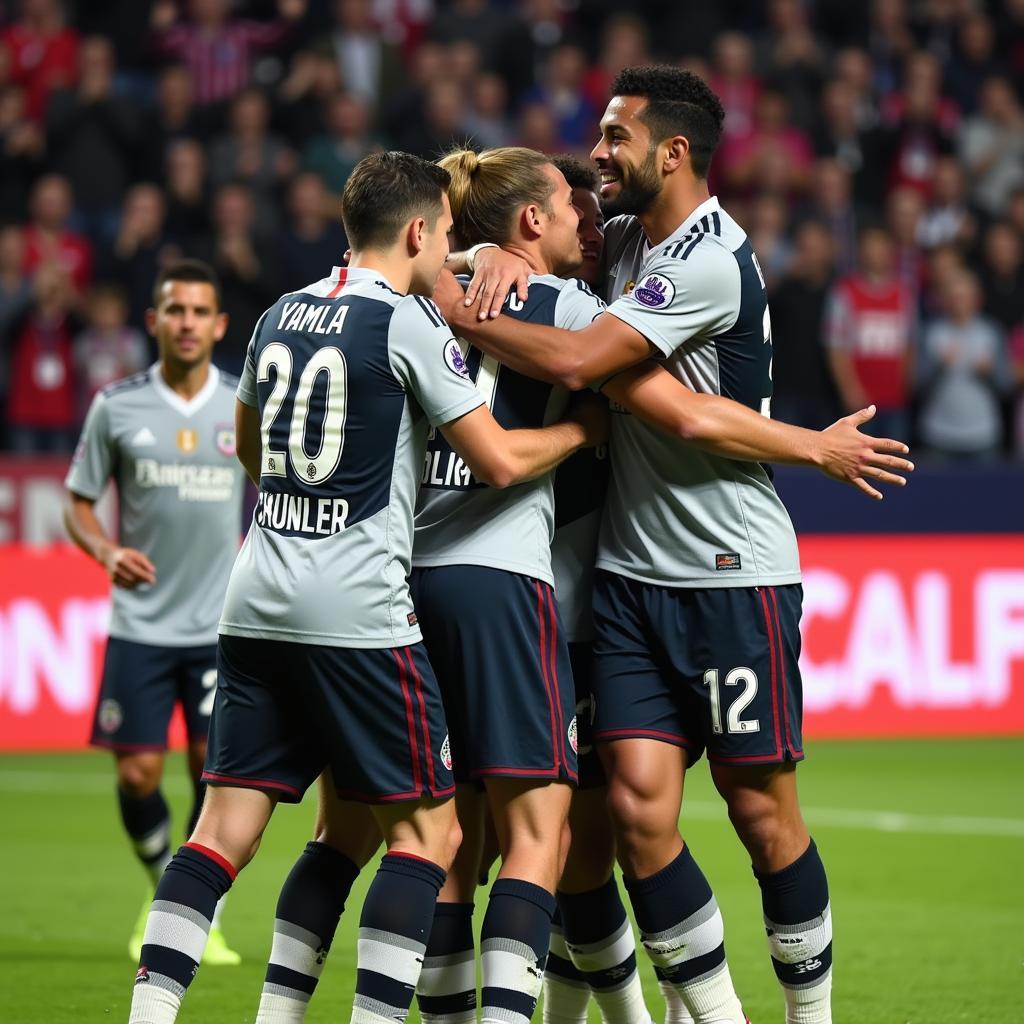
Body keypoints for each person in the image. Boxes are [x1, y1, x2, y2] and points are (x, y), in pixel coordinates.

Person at [435, 66, 914, 1024]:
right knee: (634, 809)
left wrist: (453, 302)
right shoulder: (618, 241)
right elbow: (541, 228)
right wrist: (492, 253)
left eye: (614, 138)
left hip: (731, 570)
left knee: (760, 813)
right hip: (625, 579)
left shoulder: (705, 259)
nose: (598, 153)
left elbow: (608, 374)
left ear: (674, 152)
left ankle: (808, 1016)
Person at [123, 150, 606, 1024]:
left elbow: (247, 447)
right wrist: (579, 432)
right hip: (358, 608)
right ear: (420, 231)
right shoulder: (408, 324)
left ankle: (154, 1014)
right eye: (447, 236)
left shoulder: (277, 312)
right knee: (432, 837)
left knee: (222, 833)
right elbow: (496, 458)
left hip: (254, 595)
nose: (454, 247)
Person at [63, 258, 245, 966]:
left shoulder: (242, 403)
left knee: (210, 771)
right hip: (139, 626)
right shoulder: (118, 405)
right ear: (154, 322)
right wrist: (105, 552)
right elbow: (78, 502)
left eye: (201, 312)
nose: (188, 323)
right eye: (176, 311)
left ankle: (195, 910)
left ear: (220, 324)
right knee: (137, 774)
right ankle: (164, 886)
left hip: (216, 629)